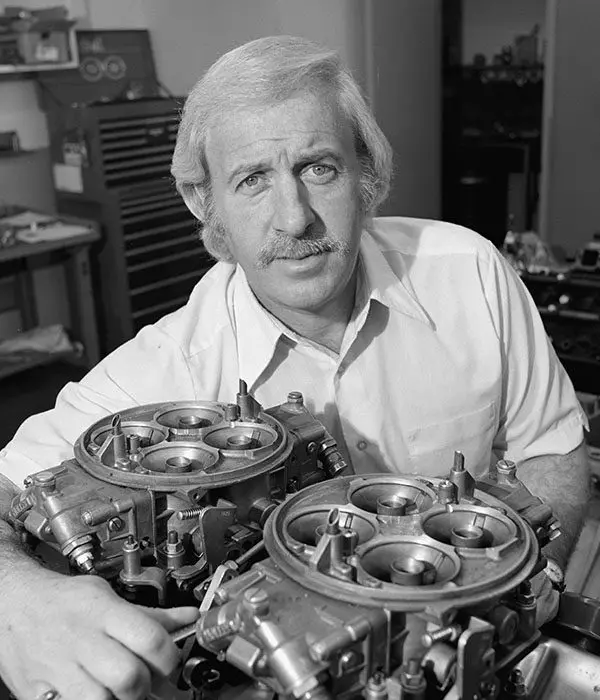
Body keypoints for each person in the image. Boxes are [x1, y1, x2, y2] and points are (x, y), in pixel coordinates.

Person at [0, 35, 590, 700]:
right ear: (205, 205)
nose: (295, 216)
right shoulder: (164, 372)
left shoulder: (471, 274)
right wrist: (15, 602)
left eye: (318, 168)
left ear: (365, 173)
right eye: (252, 180)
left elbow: (552, 449)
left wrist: (527, 605)